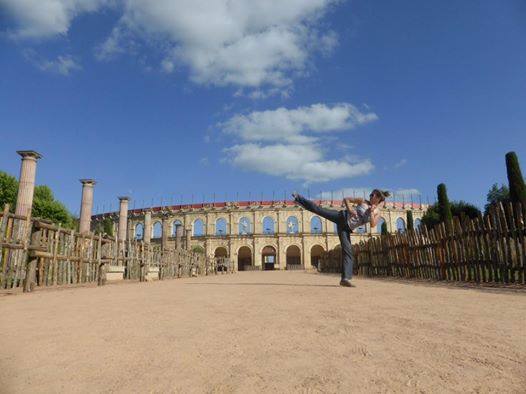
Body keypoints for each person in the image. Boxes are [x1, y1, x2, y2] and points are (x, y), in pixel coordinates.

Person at [292, 189, 390, 287]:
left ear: (378, 198)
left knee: (348, 252)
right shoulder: (362, 201)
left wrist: (372, 212)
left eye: (373, 195)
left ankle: (345, 279)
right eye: (371, 194)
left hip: (345, 229)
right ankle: (299, 198)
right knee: (319, 210)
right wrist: (350, 209)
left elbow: (373, 225)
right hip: (341, 216)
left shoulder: (377, 212)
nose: (371, 196)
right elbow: (346, 199)